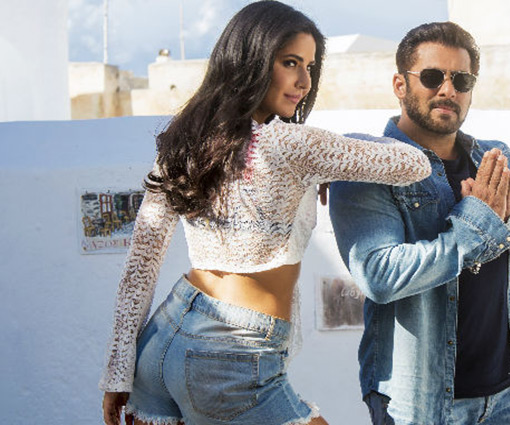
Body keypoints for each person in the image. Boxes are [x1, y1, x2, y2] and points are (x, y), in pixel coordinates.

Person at [99, 2, 431, 425]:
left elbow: (141, 264)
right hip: (231, 355)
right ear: (251, 60)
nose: (304, 81)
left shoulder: (184, 142)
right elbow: (414, 164)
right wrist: (337, 154)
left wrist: (118, 369)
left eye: (310, 66)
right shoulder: (291, 144)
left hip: (162, 342)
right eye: (290, 63)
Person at [329, 22, 510, 425]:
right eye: (432, 77)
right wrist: (477, 222)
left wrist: (509, 219)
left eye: (462, 80)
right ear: (399, 84)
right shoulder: (367, 162)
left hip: (509, 398)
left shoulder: (495, 159)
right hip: (419, 406)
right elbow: (379, 274)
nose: (448, 90)